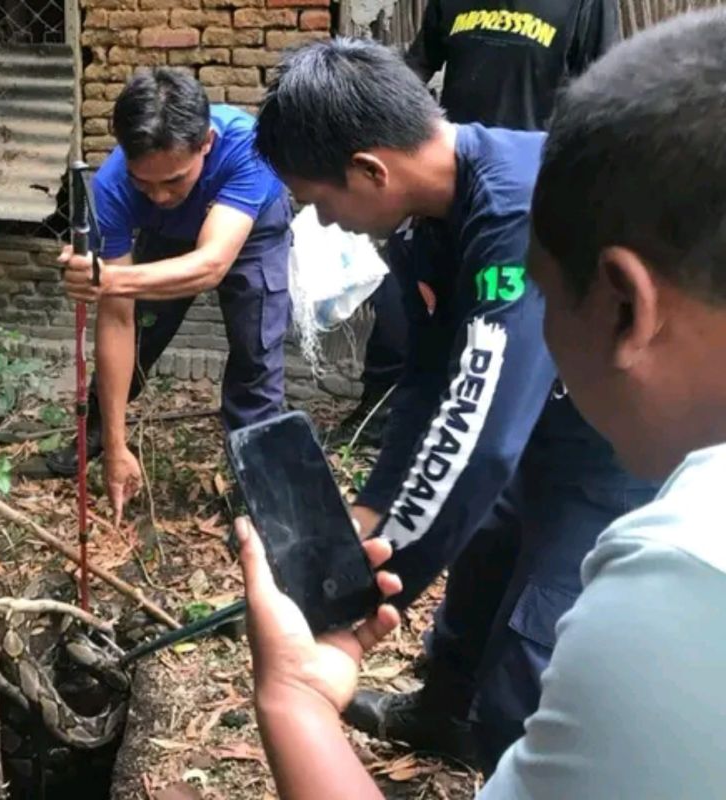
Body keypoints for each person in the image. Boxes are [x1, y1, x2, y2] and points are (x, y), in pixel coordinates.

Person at [242, 9, 726, 796]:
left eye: (319, 201)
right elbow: (433, 377)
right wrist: (371, 509)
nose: (323, 221)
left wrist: (361, 590)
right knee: (481, 567)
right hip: (548, 410)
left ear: (369, 171)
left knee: (535, 643)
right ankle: (441, 708)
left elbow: (485, 438)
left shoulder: (509, 212)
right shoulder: (425, 216)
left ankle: (514, 761)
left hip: (612, 433)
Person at [335, 0, 622, 448]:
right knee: (409, 300)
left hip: (527, 186)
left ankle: (499, 430)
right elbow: (415, 66)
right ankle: (384, 410)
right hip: (450, 176)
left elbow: (607, 85)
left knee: (503, 317)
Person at [55, 69, 292, 523]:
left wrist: (108, 280)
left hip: (250, 232)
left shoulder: (249, 147)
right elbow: (117, 318)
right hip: (169, 237)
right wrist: (121, 448)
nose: (160, 195)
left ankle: (256, 490)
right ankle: (101, 437)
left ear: (205, 142)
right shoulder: (111, 187)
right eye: (145, 183)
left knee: (255, 350)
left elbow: (211, 265)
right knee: (144, 329)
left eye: (174, 180)